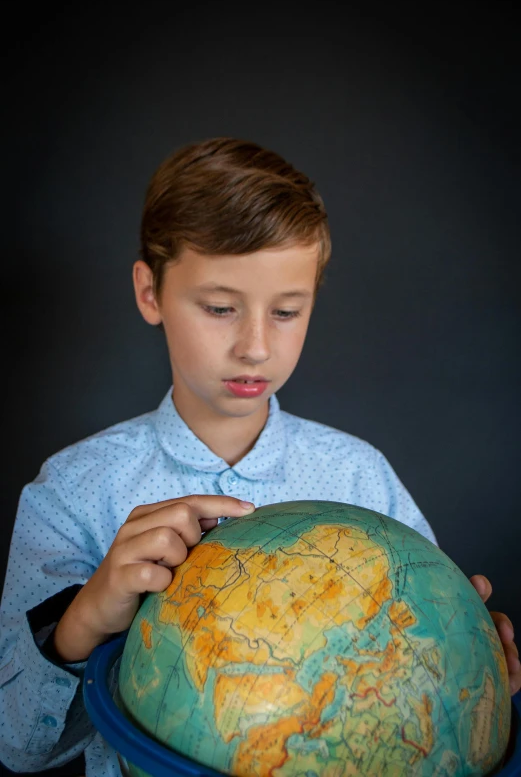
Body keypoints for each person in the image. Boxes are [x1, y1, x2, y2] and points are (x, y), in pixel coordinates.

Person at [1, 137, 519, 776]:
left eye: (287, 311)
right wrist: (78, 627)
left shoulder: (361, 477)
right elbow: (18, 749)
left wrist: (470, 667)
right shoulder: (72, 493)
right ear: (150, 292)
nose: (254, 346)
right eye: (220, 308)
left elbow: (431, 698)